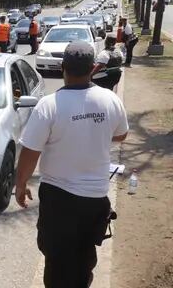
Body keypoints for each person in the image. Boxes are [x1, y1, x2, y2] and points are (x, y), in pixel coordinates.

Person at [15, 41, 129, 288]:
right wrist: (93, 130)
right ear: (92, 69)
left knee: (57, 260)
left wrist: (21, 184)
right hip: (96, 198)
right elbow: (121, 135)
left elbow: (31, 150)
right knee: (84, 257)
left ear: (63, 68)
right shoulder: (110, 100)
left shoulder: (49, 105)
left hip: (59, 199)